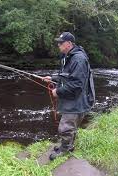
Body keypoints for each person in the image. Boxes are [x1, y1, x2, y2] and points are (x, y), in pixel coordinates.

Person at [43, 32, 95, 160]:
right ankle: (68, 145)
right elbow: (67, 76)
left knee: (65, 128)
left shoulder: (78, 59)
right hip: (74, 99)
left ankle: (65, 150)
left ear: (69, 44)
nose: (58, 44)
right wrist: (53, 78)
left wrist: (58, 91)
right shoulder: (69, 56)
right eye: (58, 42)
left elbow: (76, 85)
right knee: (71, 126)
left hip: (77, 101)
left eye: (61, 42)